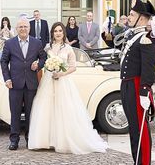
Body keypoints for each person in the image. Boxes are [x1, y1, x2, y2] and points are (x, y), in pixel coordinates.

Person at [28, 22, 107, 154]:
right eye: (55, 31)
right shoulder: (48, 48)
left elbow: (73, 67)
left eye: (60, 31)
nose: (58, 33)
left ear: (63, 33)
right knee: (46, 109)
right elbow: (43, 62)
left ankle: (63, 140)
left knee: (63, 110)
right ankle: (46, 140)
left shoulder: (68, 48)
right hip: (48, 81)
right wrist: (39, 64)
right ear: (52, 33)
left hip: (63, 81)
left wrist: (61, 74)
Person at [118, 0, 155, 165]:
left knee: (141, 128)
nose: (129, 18)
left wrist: (145, 91)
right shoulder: (134, 35)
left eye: (132, 15)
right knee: (134, 127)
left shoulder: (147, 38)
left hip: (136, 87)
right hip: (127, 85)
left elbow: (148, 68)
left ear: (143, 18)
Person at [0, 16, 47, 150]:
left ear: (29, 28)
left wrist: (38, 64)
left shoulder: (37, 43)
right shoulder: (9, 43)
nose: (23, 29)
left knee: (30, 113)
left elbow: (44, 58)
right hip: (14, 83)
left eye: (25, 26)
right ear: (16, 28)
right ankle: (14, 140)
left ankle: (30, 138)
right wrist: (7, 79)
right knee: (14, 113)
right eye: (20, 27)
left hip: (31, 84)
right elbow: (3, 61)